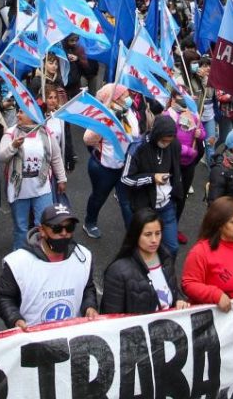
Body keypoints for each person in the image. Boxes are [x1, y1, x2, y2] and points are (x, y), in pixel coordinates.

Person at [0, 204, 98, 327]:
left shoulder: (83, 257)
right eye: (57, 228)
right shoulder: (17, 263)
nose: (64, 233)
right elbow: (4, 296)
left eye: (70, 227)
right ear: (42, 230)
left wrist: (89, 306)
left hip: (71, 337)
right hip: (33, 339)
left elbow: (88, 288)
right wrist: (15, 319)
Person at [0, 108, 68, 251]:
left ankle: (41, 253)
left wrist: (61, 179)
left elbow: (55, 158)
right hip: (19, 190)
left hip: (42, 188)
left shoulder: (47, 133)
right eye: (17, 111)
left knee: (43, 224)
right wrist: (13, 146)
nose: (17, 115)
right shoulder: (11, 133)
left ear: (32, 115)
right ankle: (19, 256)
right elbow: (1, 156)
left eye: (21, 112)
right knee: (21, 228)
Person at [101, 208, 188, 314]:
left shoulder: (166, 258)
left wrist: (180, 300)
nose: (154, 240)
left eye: (158, 233)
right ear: (136, 235)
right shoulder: (117, 271)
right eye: (148, 234)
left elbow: (173, 289)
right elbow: (112, 317)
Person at [83, 83, 140, 239]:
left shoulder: (129, 112)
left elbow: (135, 134)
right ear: (115, 98)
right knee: (98, 197)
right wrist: (105, 121)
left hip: (124, 167)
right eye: (125, 95)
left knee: (126, 201)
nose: (129, 98)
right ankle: (89, 222)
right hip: (103, 168)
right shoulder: (104, 116)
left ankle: (133, 236)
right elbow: (87, 139)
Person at [122, 115, 183, 257]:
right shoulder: (138, 147)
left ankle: (164, 274)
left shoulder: (174, 144)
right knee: (142, 249)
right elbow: (126, 179)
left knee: (172, 248)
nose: (166, 144)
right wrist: (151, 178)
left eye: (169, 141)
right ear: (156, 134)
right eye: (163, 141)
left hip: (166, 204)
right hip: (144, 207)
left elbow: (177, 169)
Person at [164, 92, 205, 244]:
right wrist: (188, 151)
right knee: (169, 194)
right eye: (179, 98)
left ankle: (173, 227)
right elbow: (169, 142)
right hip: (173, 163)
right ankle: (161, 226)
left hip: (189, 164)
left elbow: (203, 134)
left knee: (182, 196)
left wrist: (200, 134)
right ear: (173, 99)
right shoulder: (167, 117)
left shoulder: (194, 116)